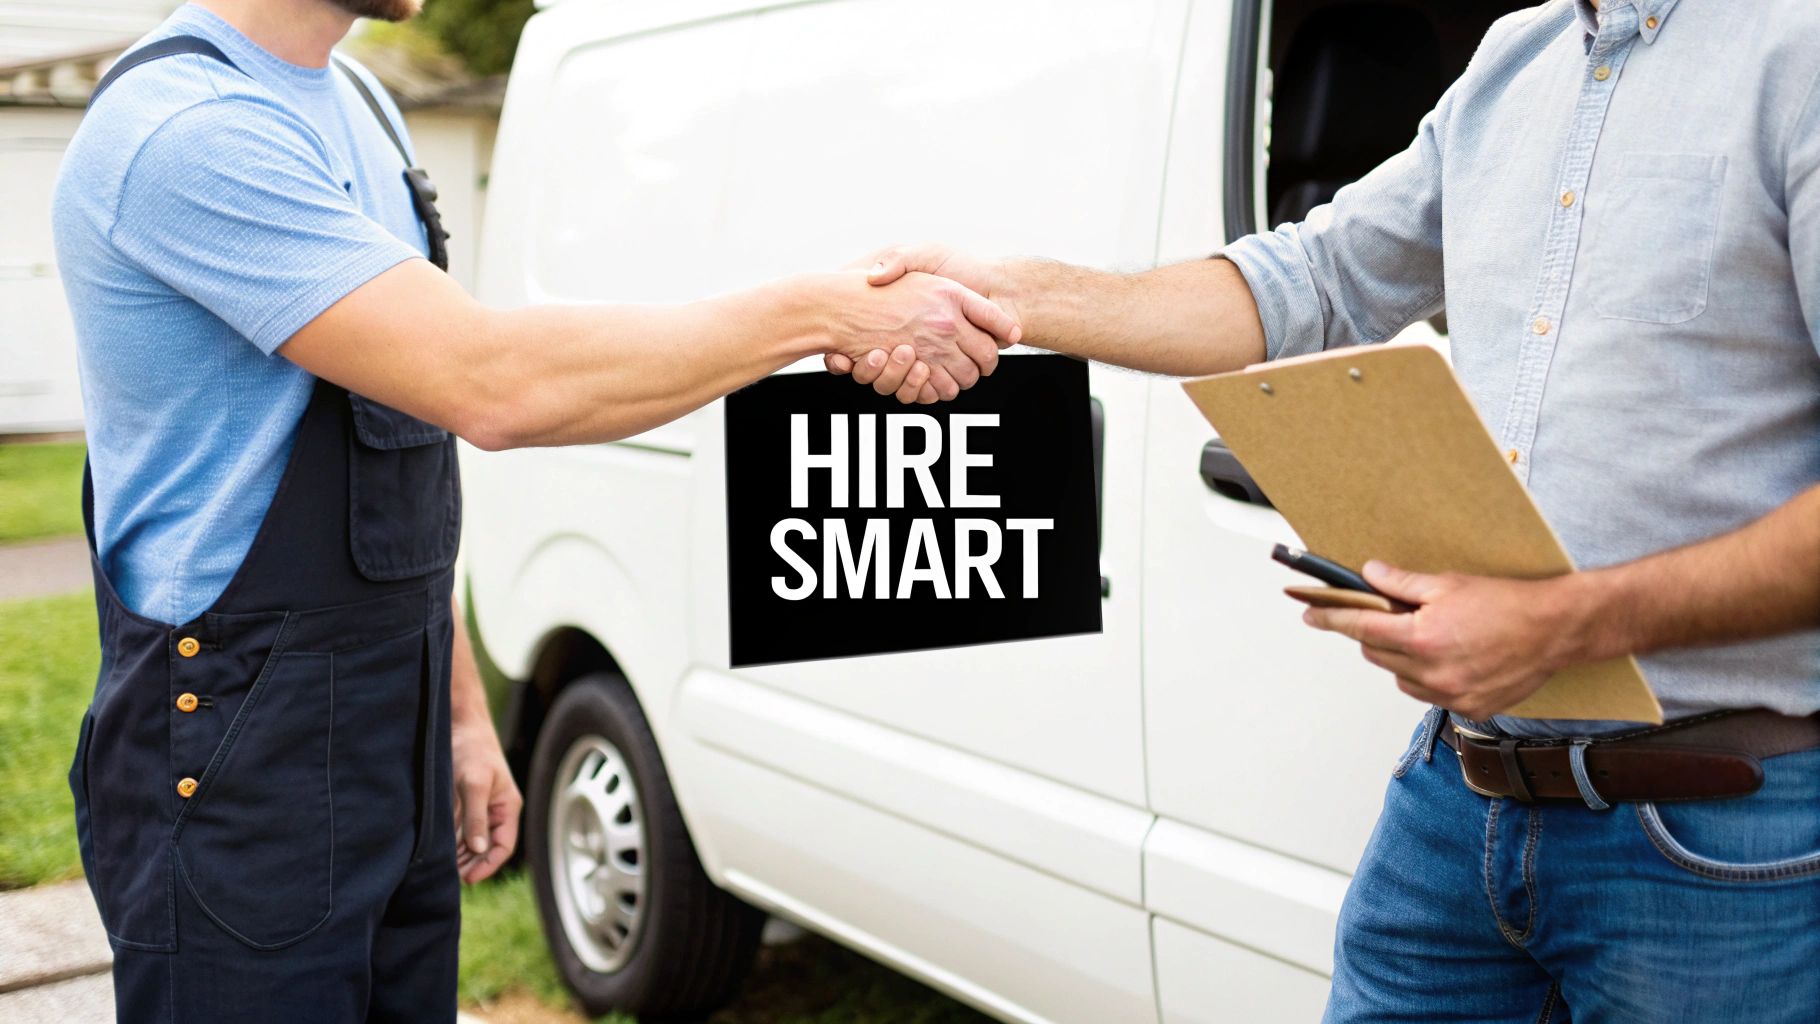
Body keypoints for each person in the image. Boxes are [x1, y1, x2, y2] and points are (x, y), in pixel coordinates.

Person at [834, 0, 1820, 1019]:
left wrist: (1561, 623)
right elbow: (1309, 275)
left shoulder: (1795, 52)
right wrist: (1002, 298)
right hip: (1461, 789)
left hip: (1717, 826)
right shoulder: (1513, 59)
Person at [52, 0, 1015, 1020]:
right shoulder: (189, 130)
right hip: (241, 761)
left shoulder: (359, 104)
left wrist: (459, 717)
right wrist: (825, 311)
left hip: (391, 724)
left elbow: (404, 441)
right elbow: (491, 384)